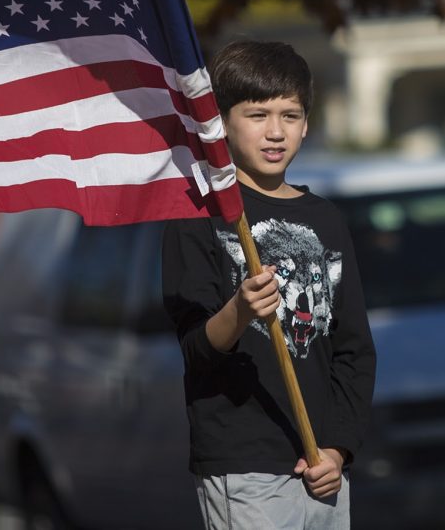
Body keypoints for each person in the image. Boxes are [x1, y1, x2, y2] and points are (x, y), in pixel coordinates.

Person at [161, 40, 377, 529]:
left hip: (320, 465)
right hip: (244, 464)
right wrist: (240, 309)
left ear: (306, 122)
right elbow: (195, 347)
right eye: (257, 115)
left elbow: (354, 348)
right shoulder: (200, 217)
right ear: (223, 122)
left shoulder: (326, 218)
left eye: (290, 114)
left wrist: (339, 449)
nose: (276, 131)